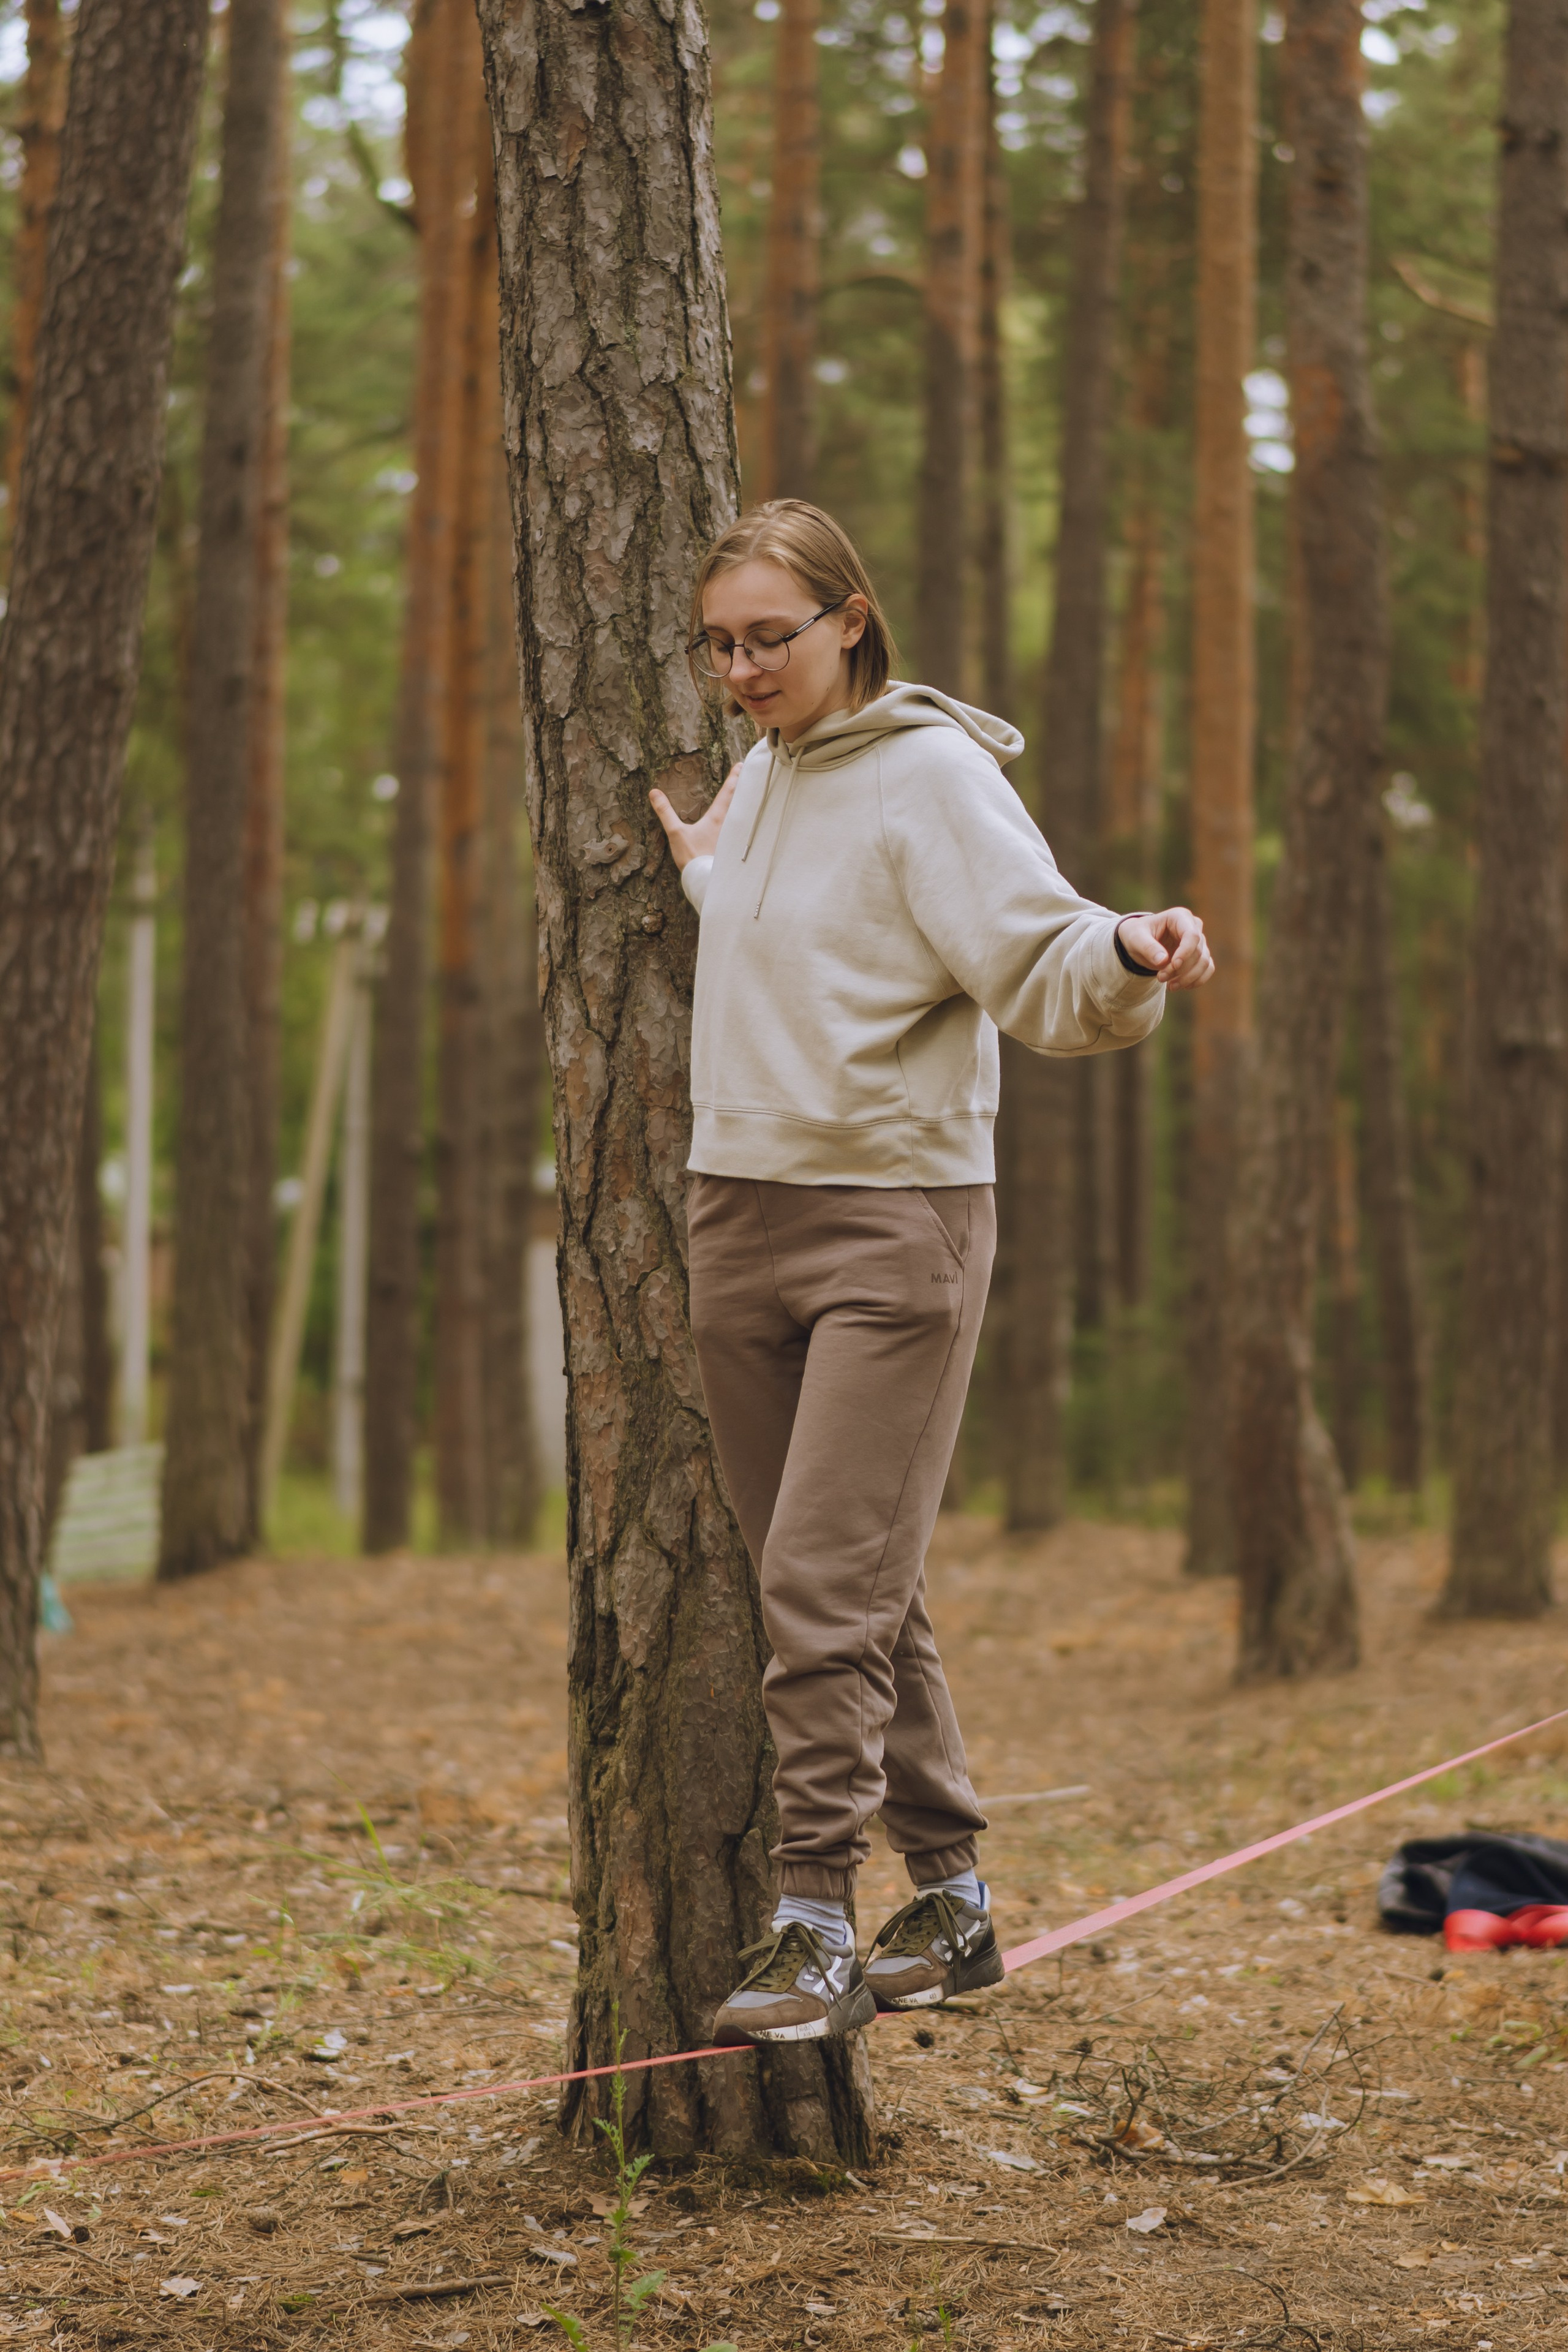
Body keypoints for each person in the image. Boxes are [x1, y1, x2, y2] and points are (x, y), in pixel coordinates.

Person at [649, 501, 1214, 2047]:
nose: (745, 667)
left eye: (772, 635)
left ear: (849, 619)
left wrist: (1130, 951)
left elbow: (1036, 953)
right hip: (733, 1218)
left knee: (823, 1590)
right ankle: (952, 1897)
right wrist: (709, 874)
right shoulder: (766, 778)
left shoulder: (930, 773)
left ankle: (813, 1916)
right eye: (721, 643)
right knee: (838, 1584)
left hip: (889, 1226)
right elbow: (812, 939)